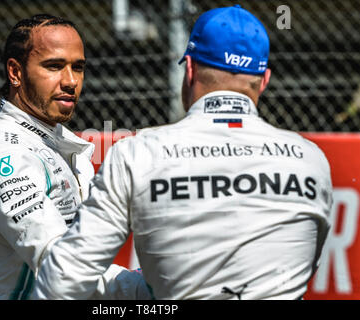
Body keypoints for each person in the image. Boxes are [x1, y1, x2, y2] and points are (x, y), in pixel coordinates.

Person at [34, 5, 333, 300]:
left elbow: (63, 280)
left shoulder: (136, 154)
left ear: (189, 69)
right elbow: (305, 266)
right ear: (264, 80)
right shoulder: (311, 159)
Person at [0, 14, 151, 300]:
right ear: (15, 73)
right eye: (54, 66)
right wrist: (152, 289)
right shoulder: (3, 154)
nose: (71, 81)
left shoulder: (53, 142)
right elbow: (62, 269)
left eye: (78, 67)